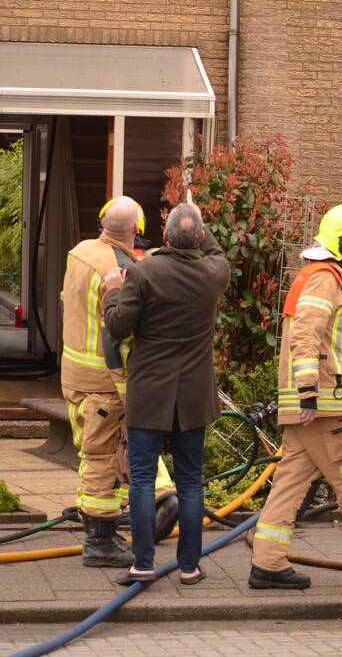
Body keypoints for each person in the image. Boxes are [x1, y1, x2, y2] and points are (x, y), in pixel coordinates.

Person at [248, 204, 342, 590]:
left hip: (316, 403)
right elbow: (305, 334)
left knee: (291, 480)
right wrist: (309, 393)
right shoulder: (326, 280)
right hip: (325, 404)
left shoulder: (318, 276)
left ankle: (267, 562)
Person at [102, 200, 230, 585]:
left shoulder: (142, 273)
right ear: (201, 237)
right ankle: (189, 567)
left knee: (141, 479)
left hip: (150, 393)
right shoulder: (214, 273)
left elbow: (119, 326)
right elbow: (216, 250)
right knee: (191, 480)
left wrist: (112, 292)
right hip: (193, 397)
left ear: (166, 236)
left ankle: (142, 563)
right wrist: (198, 220)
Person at [60, 196, 175, 569]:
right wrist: (131, 390)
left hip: (74, 375)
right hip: (104, 382)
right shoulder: (120, 270)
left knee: (96, 451)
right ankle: (100, 542)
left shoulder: (79, 252)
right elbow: (117, 336)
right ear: (136, 232)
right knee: (100, 458)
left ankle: (151, 501)